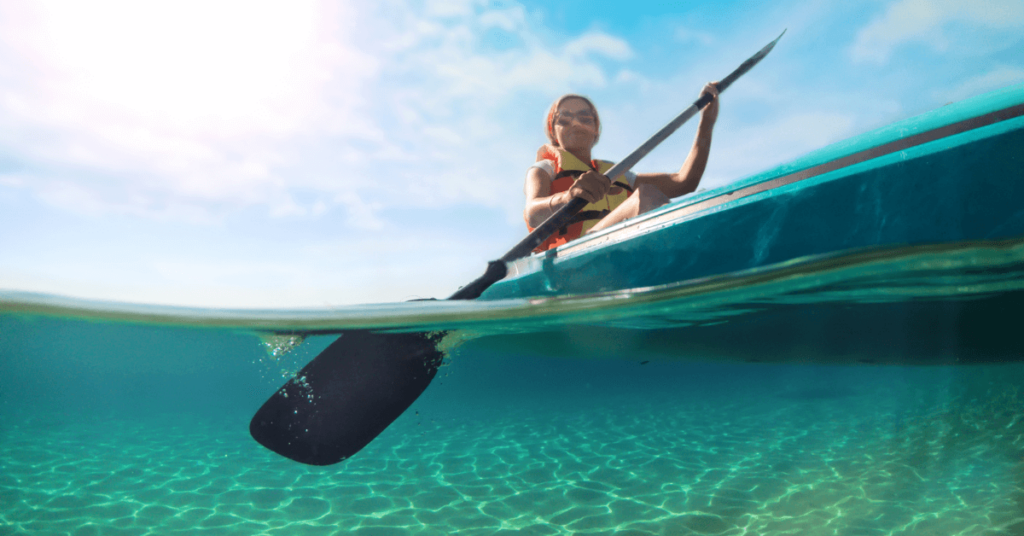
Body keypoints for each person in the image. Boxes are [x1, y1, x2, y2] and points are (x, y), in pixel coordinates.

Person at [524, 82, 719, 252]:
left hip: (619, 245)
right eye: (564, 119)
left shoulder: (617, 174)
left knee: (648, 196)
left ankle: (688, 247)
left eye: (584, 118)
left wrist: (706, 123)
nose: (575, 123)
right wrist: (568, 197)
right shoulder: (545, 169)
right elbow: (532, 214)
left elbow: (684, 182)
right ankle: (691, 248)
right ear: (553, 132)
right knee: (646, 196)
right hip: (575, 254)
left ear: (596, 131)